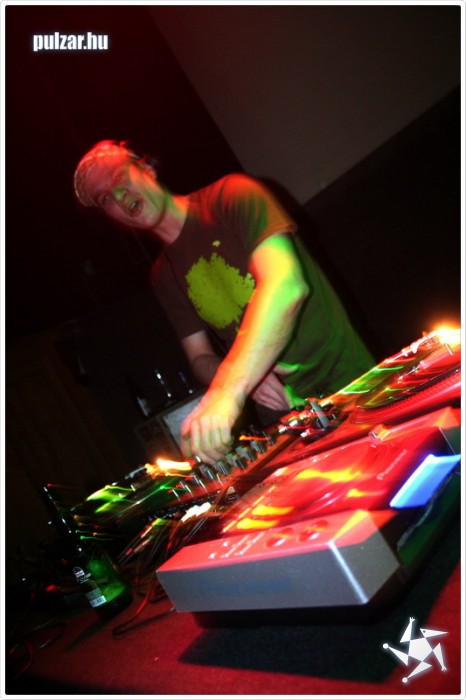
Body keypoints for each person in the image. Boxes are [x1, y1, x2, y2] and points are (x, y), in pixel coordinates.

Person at [73, 140, 374, 465]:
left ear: (146, 168)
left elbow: (285, 285)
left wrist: (229, 389)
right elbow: (199, 356)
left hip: (348, 382)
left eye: (119, 177)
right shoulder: (163, 275)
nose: (118, 195)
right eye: (105, 198)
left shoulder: (232, 194)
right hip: (281, 419)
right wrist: (250, 378)